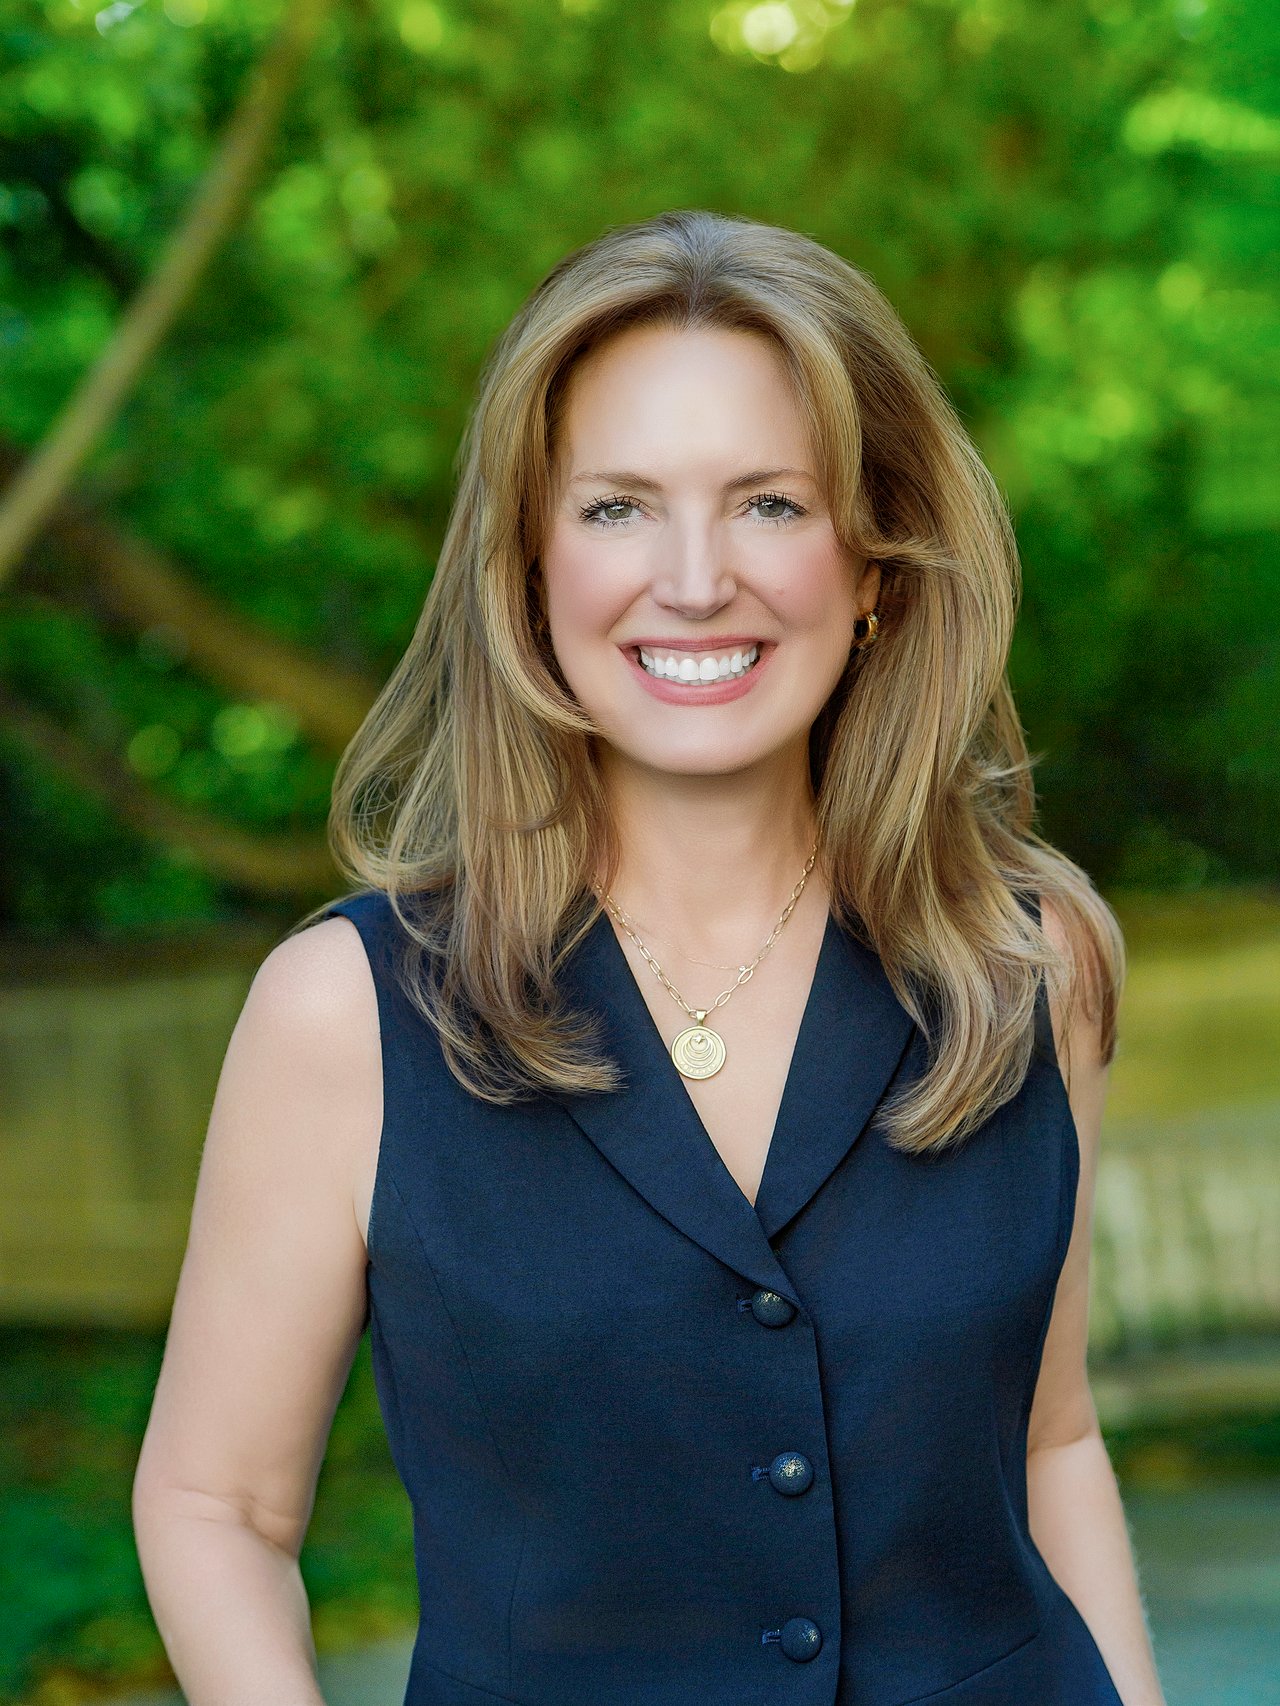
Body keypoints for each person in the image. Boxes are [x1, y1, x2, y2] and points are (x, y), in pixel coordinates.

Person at [132, 208, 1167, 1705]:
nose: (694, 579)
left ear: (875, 563)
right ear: (528, 564)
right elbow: (216, 1505)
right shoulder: (345, 1013)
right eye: (618, 507)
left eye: (770, 504)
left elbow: (1050, 1439)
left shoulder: (1031, 965)